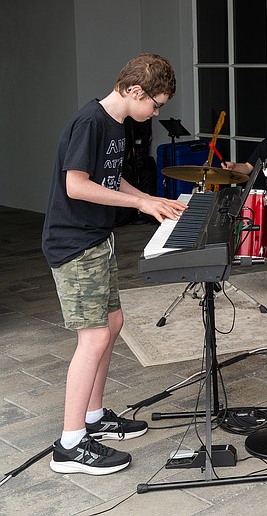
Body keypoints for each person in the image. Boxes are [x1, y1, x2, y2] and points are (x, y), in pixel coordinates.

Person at [42, 53, 185, 475]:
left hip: (96, 239)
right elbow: (77, 184)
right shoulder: (90, 122)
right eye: (155, 105)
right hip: (74, 243)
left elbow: (106, 178)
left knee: (114, 323)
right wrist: (141, 201)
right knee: (95, 337)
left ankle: (93, 416)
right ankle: (69, 445)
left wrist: (149, 199)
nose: (156, 113)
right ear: (135, 91)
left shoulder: (116, 125)